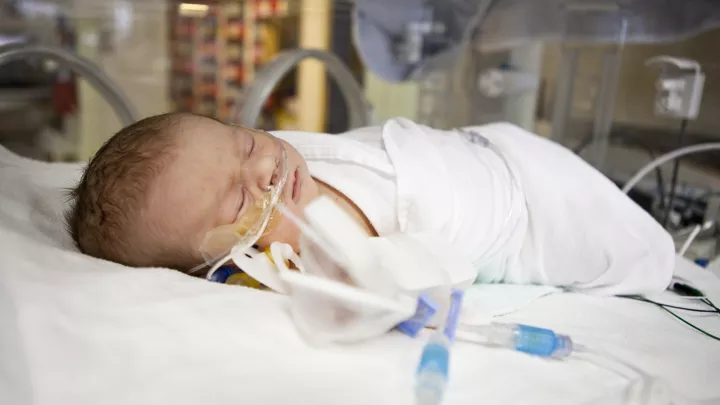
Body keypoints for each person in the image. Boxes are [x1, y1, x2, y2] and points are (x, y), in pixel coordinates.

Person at [66, 112, 675, 295]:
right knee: (640, 255)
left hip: (488, 144)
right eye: (235, 198)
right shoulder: (305, 266)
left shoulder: (284, 160)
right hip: (529, 221)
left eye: (244, 141)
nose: (263, 166)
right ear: (218, 265)